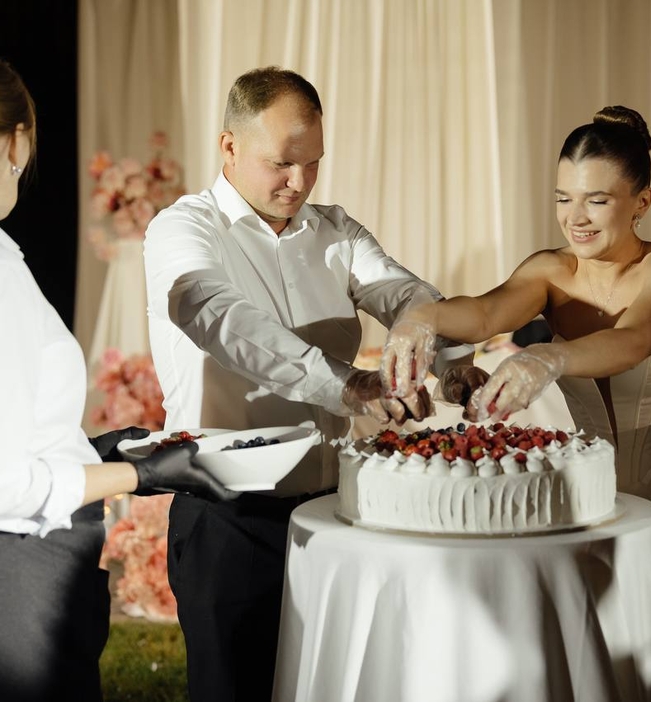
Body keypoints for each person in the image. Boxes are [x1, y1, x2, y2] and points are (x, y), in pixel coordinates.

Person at [378, 105, 651, 702]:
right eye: (563, 198)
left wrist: (548, 357)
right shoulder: (550, 271)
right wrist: (421, 317)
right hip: (586, 495)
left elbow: (634, 339)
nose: (575, 218)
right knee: (587, 673)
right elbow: (482, 313)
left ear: (642, 201)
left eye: (596, 201)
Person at [143, 66, 482, 702]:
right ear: (229, 147)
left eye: (313, 162)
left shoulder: (336, 232)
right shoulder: (182, 230)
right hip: (229, 516)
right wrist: (347, 386)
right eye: (281, 163)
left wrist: (451, 358)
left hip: (333, 510)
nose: (299, 182)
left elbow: (405, 294)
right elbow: (217, 316)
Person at [0, 58, 237, 702]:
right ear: (17, 142)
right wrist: (141, 474)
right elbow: (9, 484)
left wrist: (98, 450)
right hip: (20, 582)